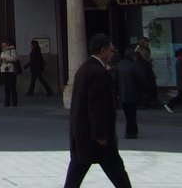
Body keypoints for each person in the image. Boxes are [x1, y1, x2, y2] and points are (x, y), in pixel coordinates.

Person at [62, 33, 133, 188]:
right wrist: (101, 134)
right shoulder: (96, 72)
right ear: (103, 50)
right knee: (118, 174)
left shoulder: (85, 69)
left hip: (82, 136)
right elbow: (97, 106)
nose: (113, 53)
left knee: (76, 175)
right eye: (111, 50)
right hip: (96, 139)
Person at [114, 50, 148, 139]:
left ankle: (131, 131)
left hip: (122, 94)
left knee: (128, 114)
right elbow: (141, 79)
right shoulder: (134, 66)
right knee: (132, 114)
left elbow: (114, 80)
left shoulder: (119, 66)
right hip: (133, 93)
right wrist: (143, 91)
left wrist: (116, 92)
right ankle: (131, 131)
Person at [0, 39, 19, 107]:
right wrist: (0, 61)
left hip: (11, 70)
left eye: (5, 45)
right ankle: (7, 102)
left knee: (12, 86)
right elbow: (1, 61)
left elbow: (14, 58)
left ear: (8, 45)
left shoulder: (12, 50)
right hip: (4, 70)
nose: (4, 46)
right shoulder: (2, 52)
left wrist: (6, 59)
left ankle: (14, 102)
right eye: (3, 45)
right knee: (6, 87)